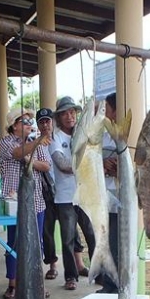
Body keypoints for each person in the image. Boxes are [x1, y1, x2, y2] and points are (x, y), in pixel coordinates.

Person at [0, 109, 52, 299]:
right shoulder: (5, 142)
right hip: (14, 203)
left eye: (31, 120)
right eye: (25, 120)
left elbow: (46, 165)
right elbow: (16, 153)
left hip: (36, 202)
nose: (30, 123)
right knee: (13, 243)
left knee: (37, 244)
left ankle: (35, 284)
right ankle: (13, 284)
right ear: (14, 125)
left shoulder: (34, 142)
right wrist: (36, 144)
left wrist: (30, 159)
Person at [53, 95, 96, 278]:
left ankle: (98, 272)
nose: (70, 116)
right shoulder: (56, 137)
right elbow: (62, 165)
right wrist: (84, 164)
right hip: (65, 197)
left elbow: (94, 157)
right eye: (65, 113)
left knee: (92, 235)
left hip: (84, 194)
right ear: (59, 117)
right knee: (68, 239)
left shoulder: (83, 134)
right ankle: (70, 276)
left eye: (72, 112)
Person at [34, 107, 60, 279]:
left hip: (66, 191)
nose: (45, 125)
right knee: (47, 230)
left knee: (73, 230)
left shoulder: (62, 139)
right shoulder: (35, 144)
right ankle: (52, 265)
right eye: (41, 122)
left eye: (47, 121)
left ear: (53, 122)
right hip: (47, 193)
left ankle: (79, 264)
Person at [98, 93, 120, 294]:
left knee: (116, 244)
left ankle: (114, 286)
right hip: (104, 199)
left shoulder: (124, 134)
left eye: (107, 109)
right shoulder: (103, 135)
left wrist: (117, 169)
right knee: (104, 243)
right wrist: (102, 165)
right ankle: (107, 283)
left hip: (121, 200)